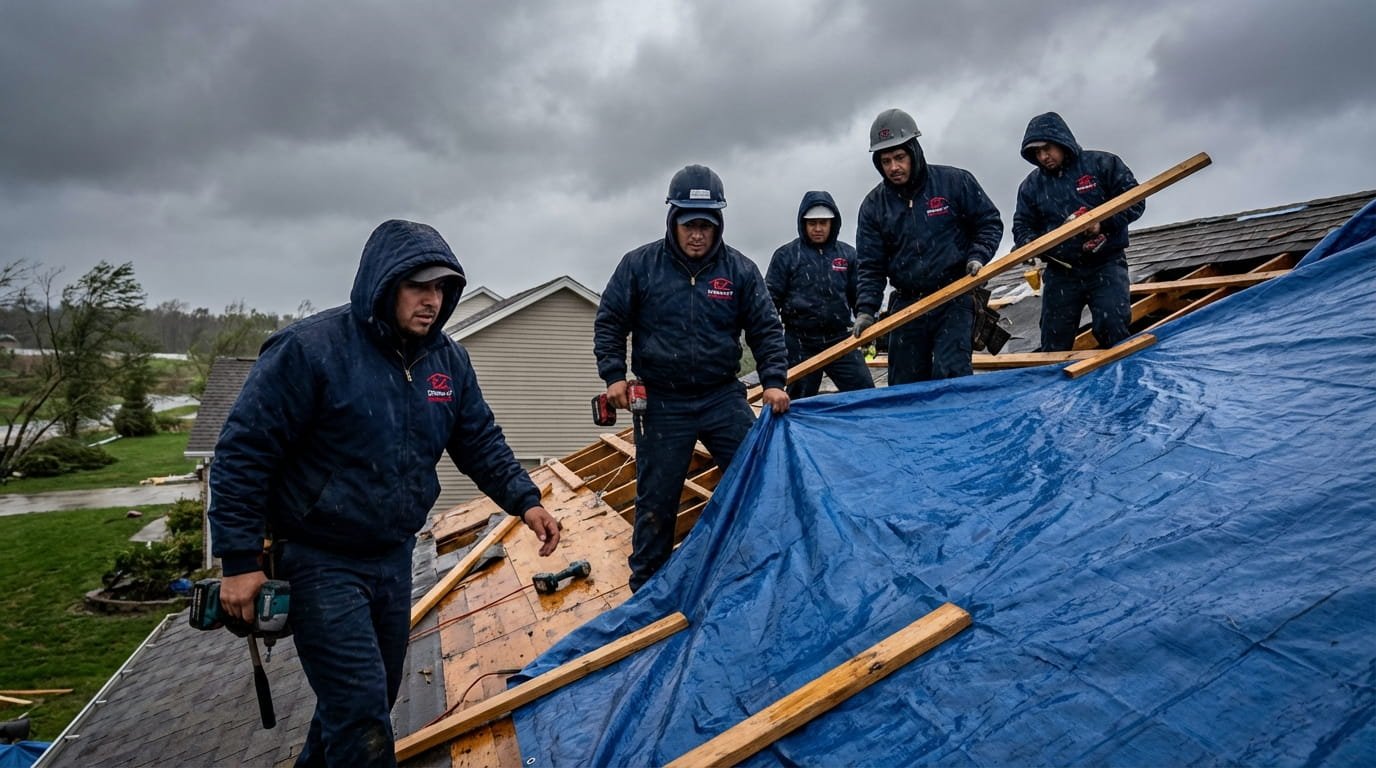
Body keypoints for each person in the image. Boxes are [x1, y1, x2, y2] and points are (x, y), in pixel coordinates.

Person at [208, 219, 561, 767]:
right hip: (320, 558)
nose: (432, 300)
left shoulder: (446, 361)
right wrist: (238, 558)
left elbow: (478, 440)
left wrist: (526, 499)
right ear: (383, 284)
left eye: (442, 289)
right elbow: (243, 452)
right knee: (361, 714)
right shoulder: (310, 351)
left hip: (393, 556)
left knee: (367, 702)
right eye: (419, 287)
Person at [594, 164, 790, 592]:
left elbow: (766, 328)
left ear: (719, 223)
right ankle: (646, 590)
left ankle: (760, 571)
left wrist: (774, 380)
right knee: (657, 501)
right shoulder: (640, 266)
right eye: (689, 224)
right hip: (662, 401)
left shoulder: (738, 270)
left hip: (721, 397)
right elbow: (610, 322)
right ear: (672, 220)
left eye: (706, 225)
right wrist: (614, 376)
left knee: (757, 477)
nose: (697, 234)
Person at [853, 108, 1004, 384]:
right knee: (904, 384)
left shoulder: (954, 183)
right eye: (885, 161)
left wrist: (977, 256)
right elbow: (870, 266)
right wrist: (866, 310)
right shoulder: (874, 206)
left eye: (899, 158)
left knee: (951, 376)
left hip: (953, 295)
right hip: (907, 304)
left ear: (914, 152)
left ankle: (957, 426)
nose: (894, 167)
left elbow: (989, 223)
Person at [1013, 111, 1144, 350]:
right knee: (1054, 339)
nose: (1043, 157)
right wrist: (1030, 245)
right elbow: (1022, 226)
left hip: (1106, 264)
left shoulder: (1103, 164)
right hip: (1061, 271)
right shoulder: (1031, 187)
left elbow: (1135, 202)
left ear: (1062, 142)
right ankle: (1053, 384)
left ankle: (1121, 380)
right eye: (1037, 153)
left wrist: (1101, 223)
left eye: (1047, 148)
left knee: (1112, 328)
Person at [766, 191, 875, 399]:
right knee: (798, 402)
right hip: (800, 342)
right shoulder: (786, 256)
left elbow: (860, 294)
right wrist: (772, 341)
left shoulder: (847, 255)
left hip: (840, 339)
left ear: (832, 223)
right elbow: (769, 301)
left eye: (823, 223)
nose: (818, 228)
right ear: (803, 224)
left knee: (866, 395)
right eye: (812, 223)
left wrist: (865, 315)